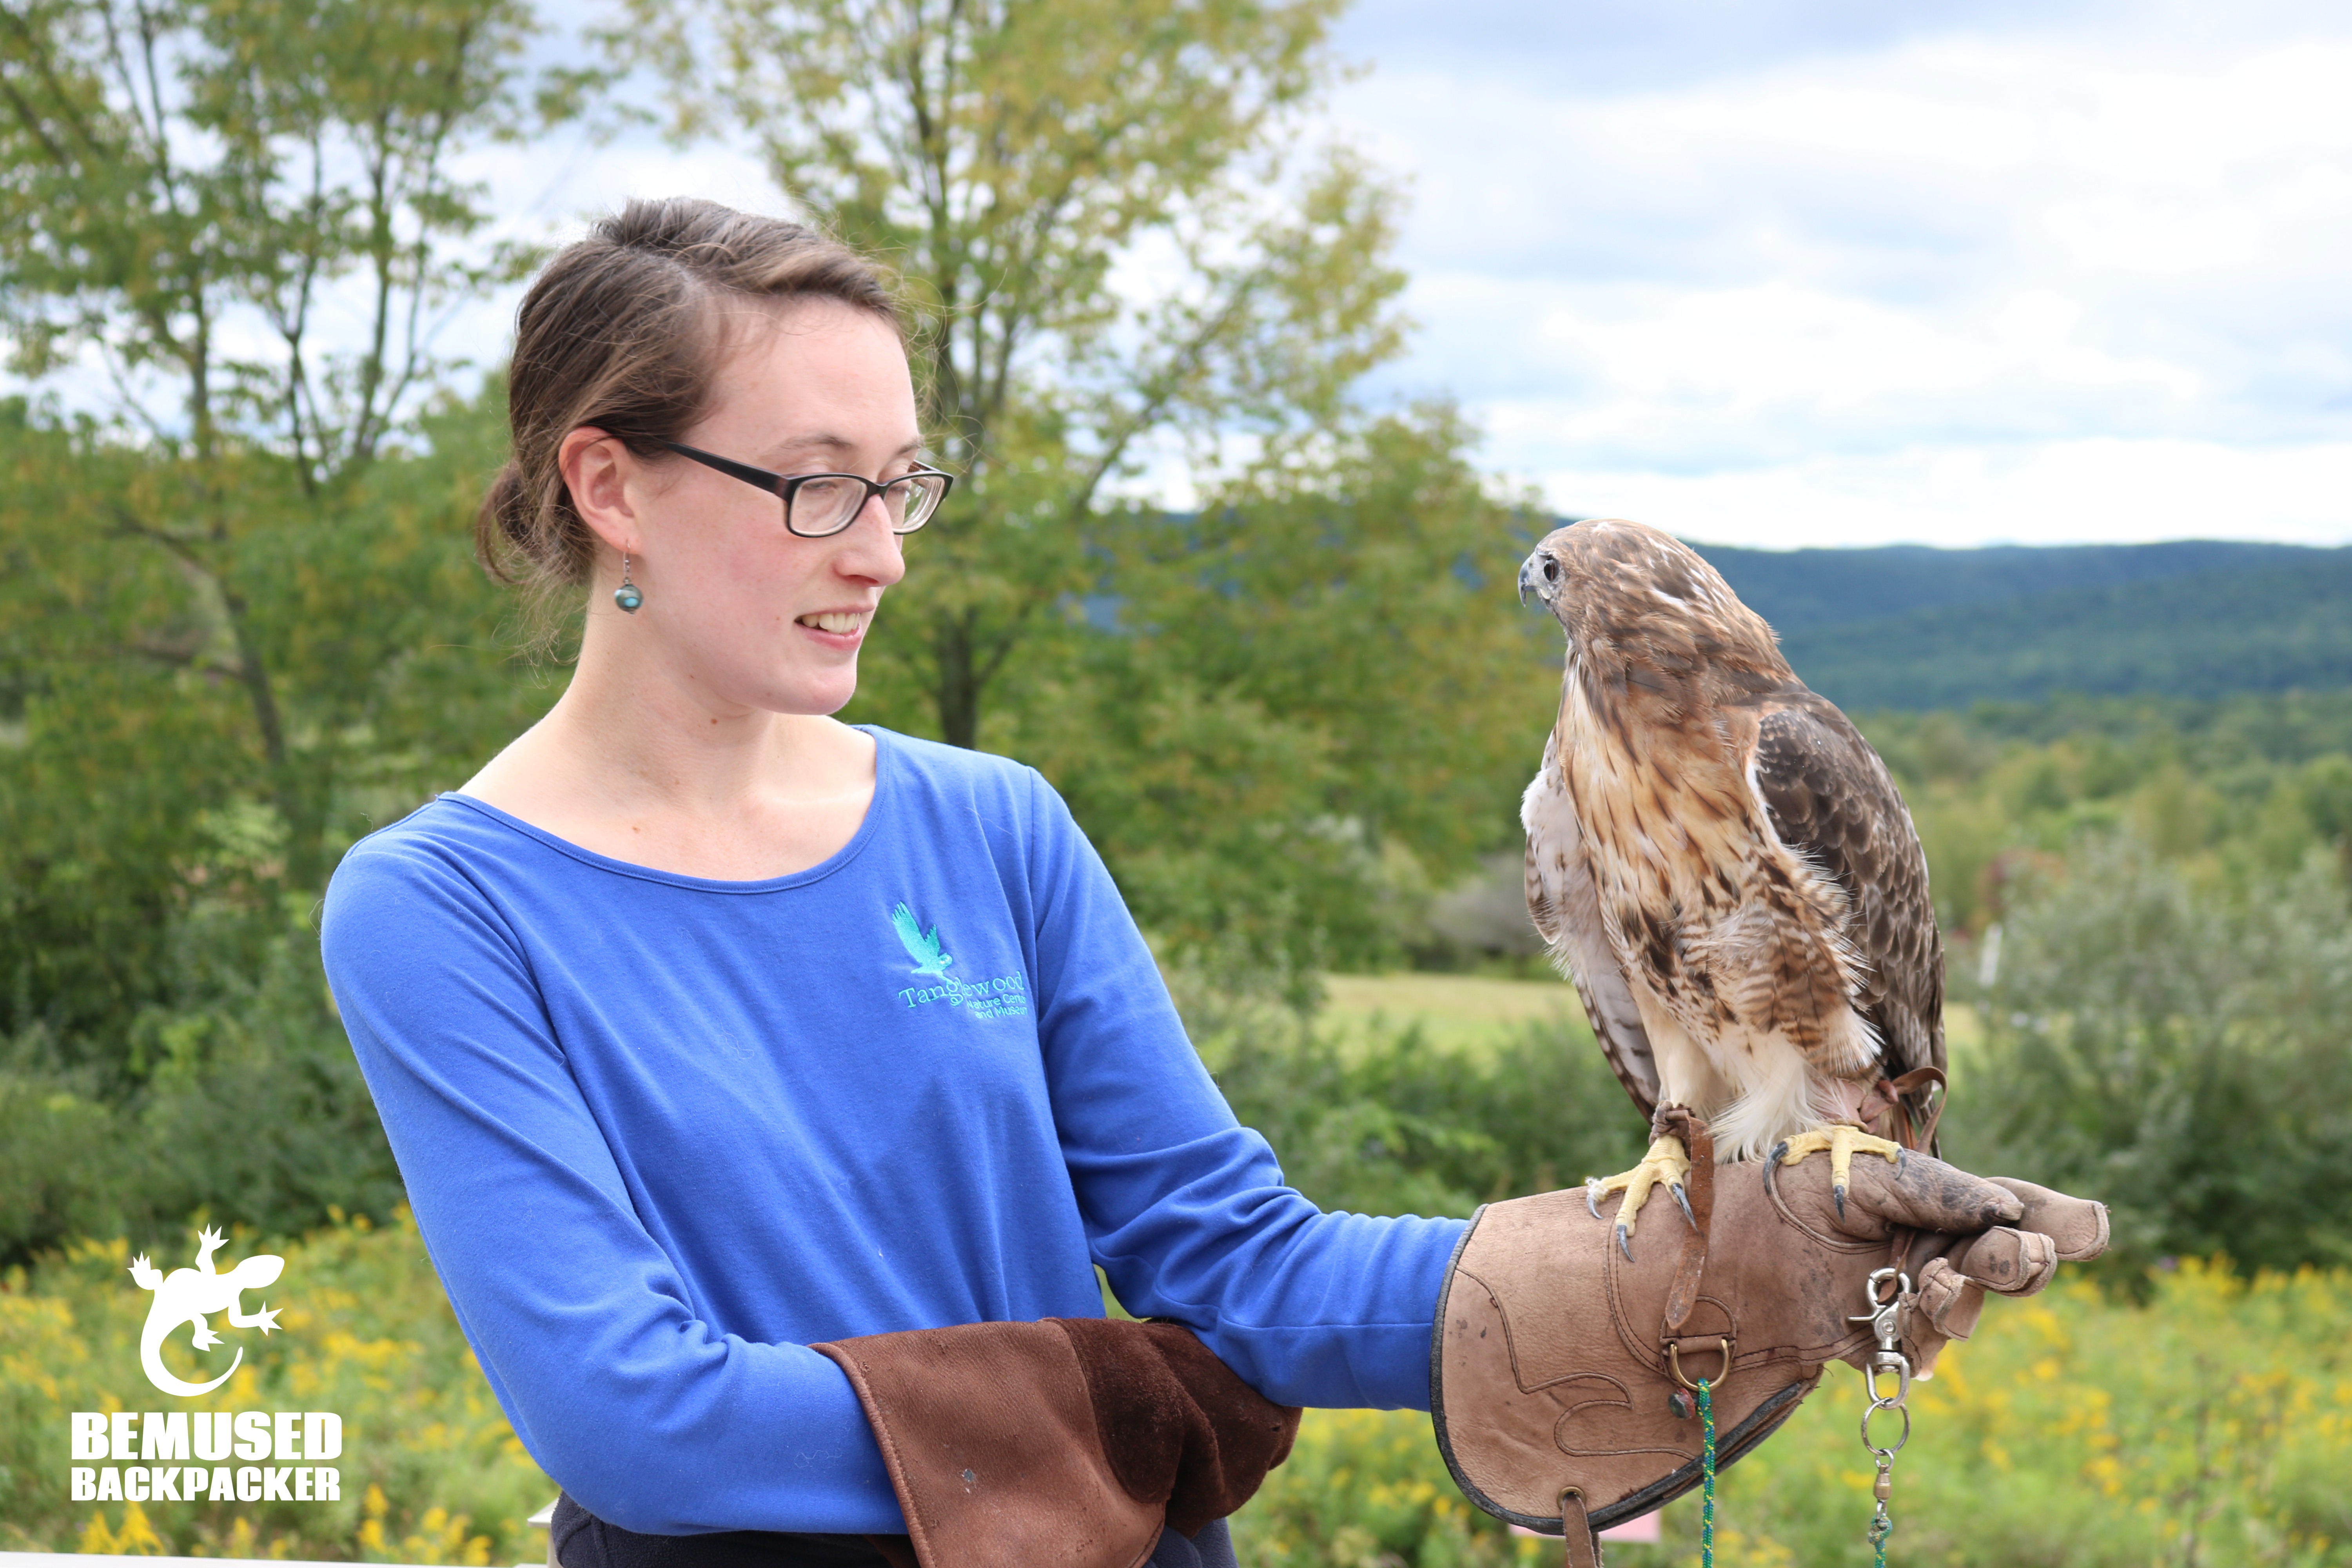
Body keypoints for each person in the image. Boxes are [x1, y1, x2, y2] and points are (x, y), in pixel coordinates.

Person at [321, 198, 2094, 1568]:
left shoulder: (992, 827)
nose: (878, 552)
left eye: (902, 484)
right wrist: (1126, 1394)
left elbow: (1233, 1262)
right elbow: (636, 1420)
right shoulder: (445, 910)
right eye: (811, 487)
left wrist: (1655, 1283)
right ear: (608, 483)